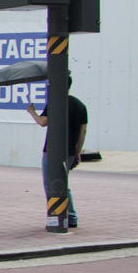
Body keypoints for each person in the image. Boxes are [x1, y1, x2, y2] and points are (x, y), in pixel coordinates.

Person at [28, 80, 88, 231]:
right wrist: (77, 152)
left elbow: (43, 122)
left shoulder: (55, 104)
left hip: (52, 151)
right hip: (69, 152)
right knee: (63, 183)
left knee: (51, 185)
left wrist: (32, 112)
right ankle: (71, 216)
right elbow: (83, 132)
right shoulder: (80, 105)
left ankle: (56, 214)